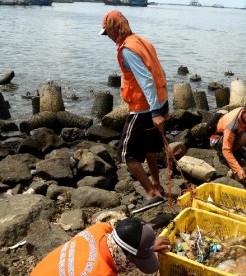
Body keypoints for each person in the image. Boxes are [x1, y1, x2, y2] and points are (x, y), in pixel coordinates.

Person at [99, 10, 169, 212]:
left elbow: (146, 80)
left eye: (108, 32)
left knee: (126, 153)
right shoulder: (142, 41)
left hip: (144, 108)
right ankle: (156, 185)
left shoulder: (127, 50)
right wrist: (164, 106)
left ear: (116, 29)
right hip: (158, 101)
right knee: (149, 147)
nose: (108, 37)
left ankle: (151, 193)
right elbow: (160, 73)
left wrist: (156, 112)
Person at [31, 217, 171, 275]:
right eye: (136, 261)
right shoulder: (103, 272)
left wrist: (146, 249)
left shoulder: (100, 229)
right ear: (127, 257)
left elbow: (124, 241)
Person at [210, 98, 246, 182]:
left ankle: (236, 149)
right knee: (244, 137)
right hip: (217, 139)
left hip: (235, 133)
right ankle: (225, 156)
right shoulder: (232, 125)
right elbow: (226, 150)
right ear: (244, 112)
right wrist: (238, 169)